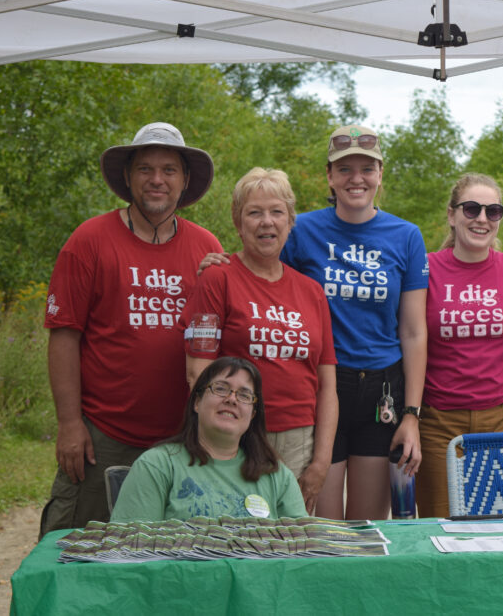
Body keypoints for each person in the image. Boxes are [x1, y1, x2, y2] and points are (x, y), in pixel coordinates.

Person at [41, 122, 222, 536]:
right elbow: (64, 335)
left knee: (168, 551)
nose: (157, 180)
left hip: (181, 437)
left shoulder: (206, 248)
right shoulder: (89, 240)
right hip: (103, 435)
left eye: (169, 170)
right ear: (127, 176)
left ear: (185, 180)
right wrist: (70, 424)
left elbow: (215, 340)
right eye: (145, 168)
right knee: (76, 544)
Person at [281, 124, 427, 520]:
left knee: (367, 528)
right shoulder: (301, 230)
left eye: (367, 168)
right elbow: (260, 277)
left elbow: (413, 332)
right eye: (344, 170)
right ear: (329, 176)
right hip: (323, 386)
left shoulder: (406, 236)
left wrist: (412, 414)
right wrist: (218, 263)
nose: (356, 178)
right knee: (324, 527)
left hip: (382, 391)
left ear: (380, 174)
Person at [181, 168, 337, 515]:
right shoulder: (216, 280)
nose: (267, 222)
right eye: (254, 212)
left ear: (290, 222)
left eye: (276, 212)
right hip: (235, 436)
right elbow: (198, 374)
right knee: (234, 542)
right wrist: (218, 443)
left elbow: (327, 386)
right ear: (239, 223)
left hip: (300, 441)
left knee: (291, 548)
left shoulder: (311, 292)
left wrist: (321, 461)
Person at [417, 173, 503, 517]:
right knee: (438, 527)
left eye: (493, 211)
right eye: (471, 209)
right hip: (439, 424)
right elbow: (408, 338)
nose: (482, 219)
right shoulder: (426, 268)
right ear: (452, 215)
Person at [111, 356, 306, 521]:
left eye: (245, 395)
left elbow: (304, 555)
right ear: (197, 402)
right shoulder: (157, 465)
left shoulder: (277, 475)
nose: (231, 399)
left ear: (253, 414)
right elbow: (130, 553)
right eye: (221, 388)